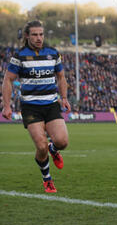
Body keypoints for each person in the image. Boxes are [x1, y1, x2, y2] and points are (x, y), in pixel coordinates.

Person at [1, 20, 71, 193]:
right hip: (31, 106)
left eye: (41, 34)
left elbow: (61, 77)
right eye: (34, 34)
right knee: (41, 146)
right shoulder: (20, 56)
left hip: (51, 104)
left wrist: (64, 98)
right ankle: (47, 179)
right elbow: (8, 79)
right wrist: (7, 105)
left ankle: (53, 149)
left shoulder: (53, 53)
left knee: (62, 142)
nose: (39, 38)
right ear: (27, 36)